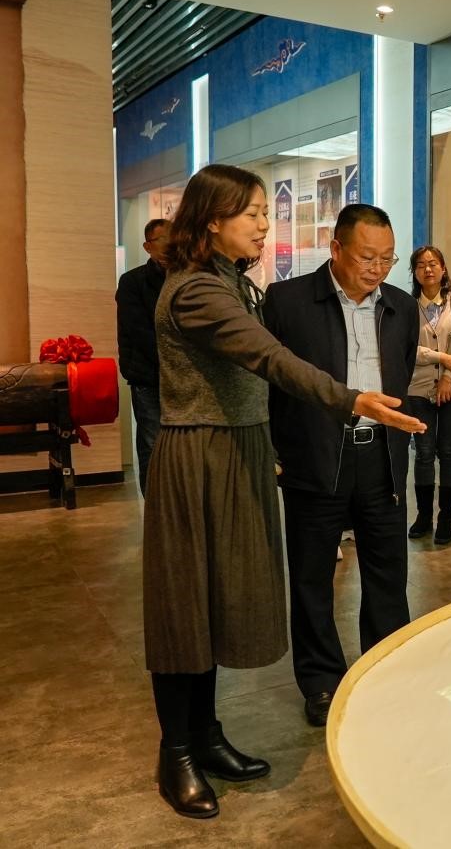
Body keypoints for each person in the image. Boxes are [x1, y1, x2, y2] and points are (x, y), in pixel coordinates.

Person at [144, 165, 420, 820]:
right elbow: (271, 358)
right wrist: (351, 399)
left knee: (216, 602)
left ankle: (207, 735)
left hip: (234, 450)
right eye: (254, 213)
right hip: (200, 455)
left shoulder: (228, 281)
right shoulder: (197, 290)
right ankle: (176, 752)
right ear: (213, 219)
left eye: (265, 212)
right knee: (186, 609)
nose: (265, 225)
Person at [261, 204, 420, 729]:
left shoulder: (401, 306)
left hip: (381, 456)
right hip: (315, 455)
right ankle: (321, 680)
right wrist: (277, 451)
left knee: (387, 571)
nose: (377, 269)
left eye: (387, 259)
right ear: (335, 249)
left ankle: (384, 668)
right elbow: (271, 383)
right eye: (366, 257)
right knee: (311, 575)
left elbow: (401, 374)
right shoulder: (287, 302)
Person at [406, 245, 451, 544]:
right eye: (421, 265)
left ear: (443, 268)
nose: (428, 269)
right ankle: (424, 516)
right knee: (423, 454)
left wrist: (448, 376)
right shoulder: (408, 306)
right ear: (414, 272)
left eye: (433, 263)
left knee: (448, 452)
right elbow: (406, 349)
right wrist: (442, 357)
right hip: (418, 390)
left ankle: (446, 518)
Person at [116, 217, 170, 495]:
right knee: (153, 442)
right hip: (149, 375)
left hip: (185, 378)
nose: (172, 244)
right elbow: (138, 332)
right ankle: (155, 505)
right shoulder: (133, 282)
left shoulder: (189, 278)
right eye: (163, 240)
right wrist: (174, 361)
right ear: (148, 247)